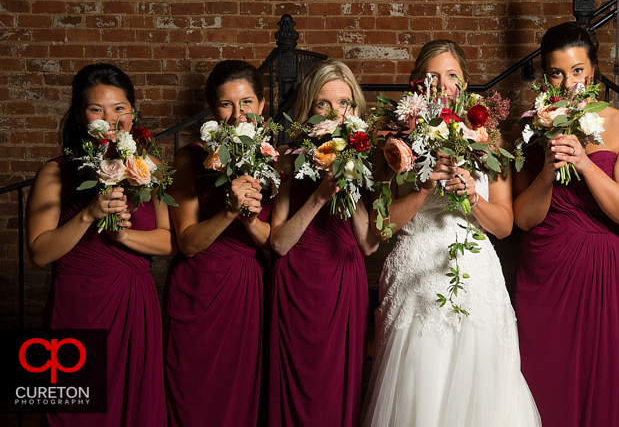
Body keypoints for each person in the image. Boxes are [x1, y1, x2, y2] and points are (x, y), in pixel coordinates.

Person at [363, 40, 541, 427]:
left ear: (465, 85)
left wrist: (473, 196)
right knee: (416, 388)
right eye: (431, 78)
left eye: (452, 77)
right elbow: (383, 226)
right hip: (415, 279)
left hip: (474, 277)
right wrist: (424, 187)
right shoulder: (394, 142)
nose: (443, 86)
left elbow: (505, 224)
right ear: (416, 86)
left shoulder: (490, 140)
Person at [512, 22, 619, 427]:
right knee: (543, 383)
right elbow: (523, 218)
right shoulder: (530, 131)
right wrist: (548, 171)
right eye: (557, 72)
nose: (567, 82)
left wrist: (585, 163)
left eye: (577, 71)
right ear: (545, 76)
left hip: (606, 269)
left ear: (593, 72)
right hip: (546, 269)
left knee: (604, 384)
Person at [26, 63, 172, 427]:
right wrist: (89, 215)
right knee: (73, 411)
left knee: (134, 411)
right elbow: (39, 254)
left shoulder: (150, 167)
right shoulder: (55, 171)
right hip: (78, 305)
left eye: (119, 108)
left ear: (133, 112)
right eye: (97, 109)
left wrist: (122, 236)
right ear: (79, 115)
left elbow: (168, 242)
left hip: (134, 304)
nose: (110, 119)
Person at [267, 60, 377, 427]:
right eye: (323, 104)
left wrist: (350, 174)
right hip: (297, 281)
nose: (334, 113)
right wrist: (318, 196)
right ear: (309, 109)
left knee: (338, 386)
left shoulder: (364, 159)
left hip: (344, 280)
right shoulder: (288, 161)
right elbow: (279, 244)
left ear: (355, 109)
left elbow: (369, 245)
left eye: (344, 103)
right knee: (297, 381)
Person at [163, 60, 271, 427]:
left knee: (238, 398)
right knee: (192, 394)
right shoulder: (189, 158)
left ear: (261, 106)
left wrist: (251, 218)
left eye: (247, 103)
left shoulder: (273, 159)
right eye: (226, 104)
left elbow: (273, 241)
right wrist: (229, 211)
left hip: (246, 287)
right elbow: (188, 242)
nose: (237, 114)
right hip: (198, 285)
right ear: (212, 111)